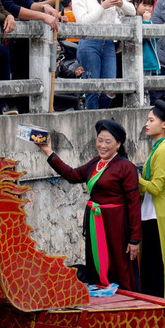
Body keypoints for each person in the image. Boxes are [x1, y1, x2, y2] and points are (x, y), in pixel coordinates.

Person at [36, 119, 141, 290]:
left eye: (108, 142)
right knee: (98, 263)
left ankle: (127, 300)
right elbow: (71, 175)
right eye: (100, 140)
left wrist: (134, 239)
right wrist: (48, 152)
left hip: (116, 226)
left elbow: (134, 204)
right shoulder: (94, 163)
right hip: (96, 223)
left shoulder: (125, 167)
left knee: (119, 264)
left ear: (118, 144)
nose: (102, 145)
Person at [72, 0, 136, 110]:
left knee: (110, 87)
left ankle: (102, 117)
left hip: (108, 43)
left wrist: (121, 4)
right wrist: (102, 7)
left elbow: (132, 11)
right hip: (88, 42)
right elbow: (82, 22)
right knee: (92, 88)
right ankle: (93, 118)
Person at [138, 100, 165, 301]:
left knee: (156, 266)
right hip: (158, 211)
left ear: (164, 124)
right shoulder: (162, 147)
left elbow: (156, 188)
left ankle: (158, 308)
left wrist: (134, 178)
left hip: (157, 214)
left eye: (151, 120)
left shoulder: (162, 150)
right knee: (158, 265)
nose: (147, 124)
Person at [133, 0, 160, 81]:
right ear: (136, 5)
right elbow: (140, 39)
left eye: (150, 6)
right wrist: (145, 22)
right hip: (137, 63)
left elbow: (154, 39)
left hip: (149, 63)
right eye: (144, 5)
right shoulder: (132, 20)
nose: (147, 8)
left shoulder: (150, 21)